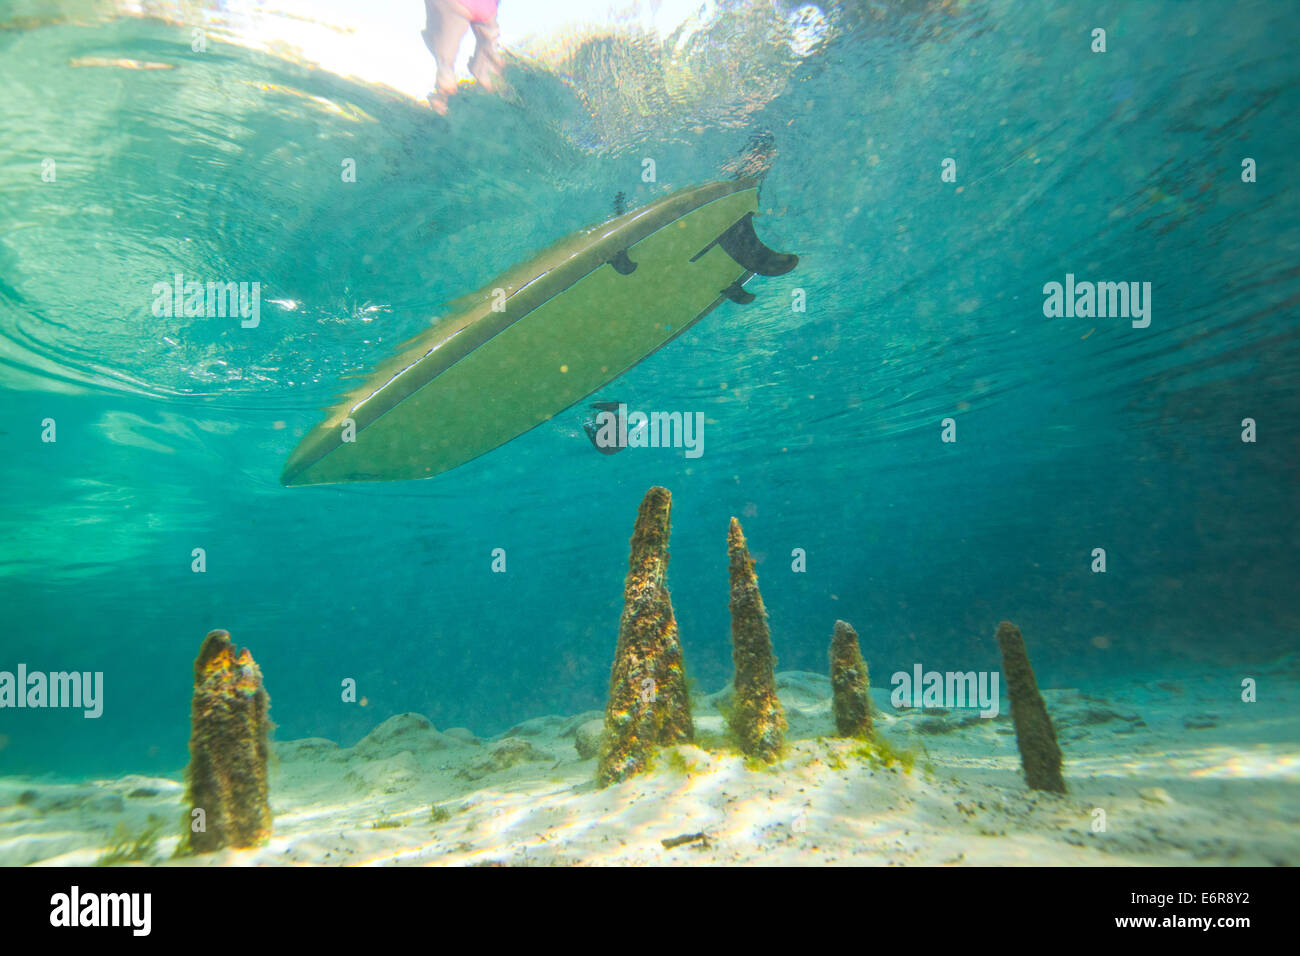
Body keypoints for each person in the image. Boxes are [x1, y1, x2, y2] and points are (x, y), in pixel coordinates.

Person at [422, 0, 504, 114]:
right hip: (489, 10)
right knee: (487, 74)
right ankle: (491, 98)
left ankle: (441, 108)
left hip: (456, 5)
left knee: (445, 66)